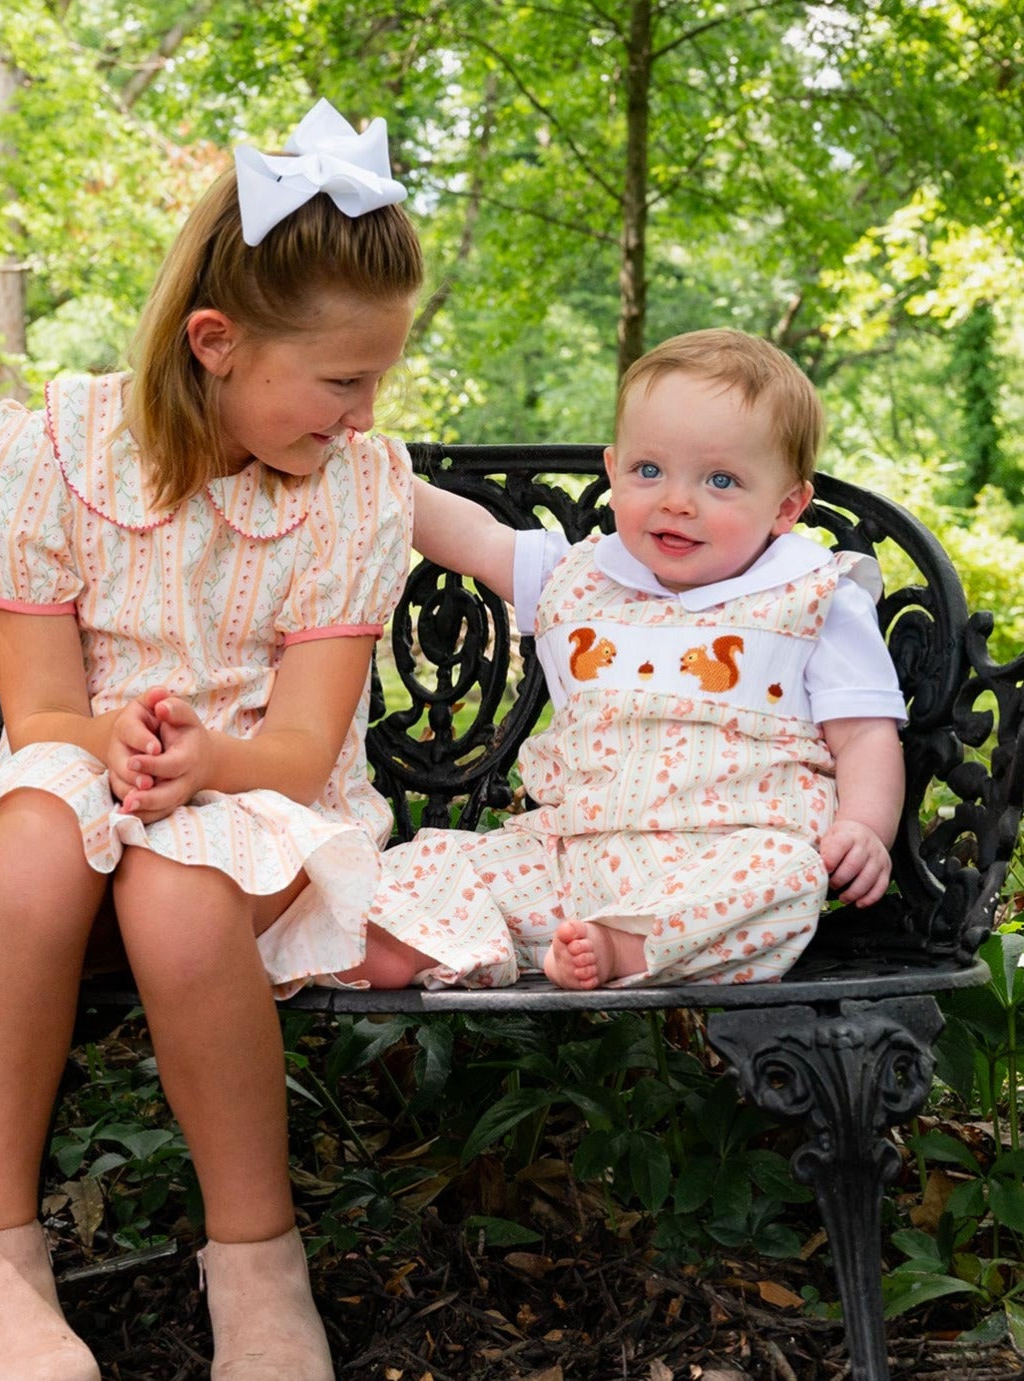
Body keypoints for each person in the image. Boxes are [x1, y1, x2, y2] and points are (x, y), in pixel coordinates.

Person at [0, 98, 428, 1381]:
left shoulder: (354, 491)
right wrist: (113, 735)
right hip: (82, 776)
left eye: (376, 379)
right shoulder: (54, 455)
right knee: (38, 824)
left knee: (181, 881)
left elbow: (307, 743)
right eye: (340, 379)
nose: (363, 414)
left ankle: (258, 1269)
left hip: (262, 798)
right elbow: (38, 718)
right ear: (215, 341)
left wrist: (208, 760)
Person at [367, 328, 906, 992]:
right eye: (649, 471)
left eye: (721, 480)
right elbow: (475, 538)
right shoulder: (580, 574)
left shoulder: (813, 597)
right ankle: (388, 942)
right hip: (567, 861)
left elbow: (865, 737)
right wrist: (371, 475)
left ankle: (623, 946)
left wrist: (862, 826)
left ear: (787, 505)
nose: (678, 500)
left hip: (721, 860)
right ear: (614, 471)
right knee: (434, 868)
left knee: (789, 875)